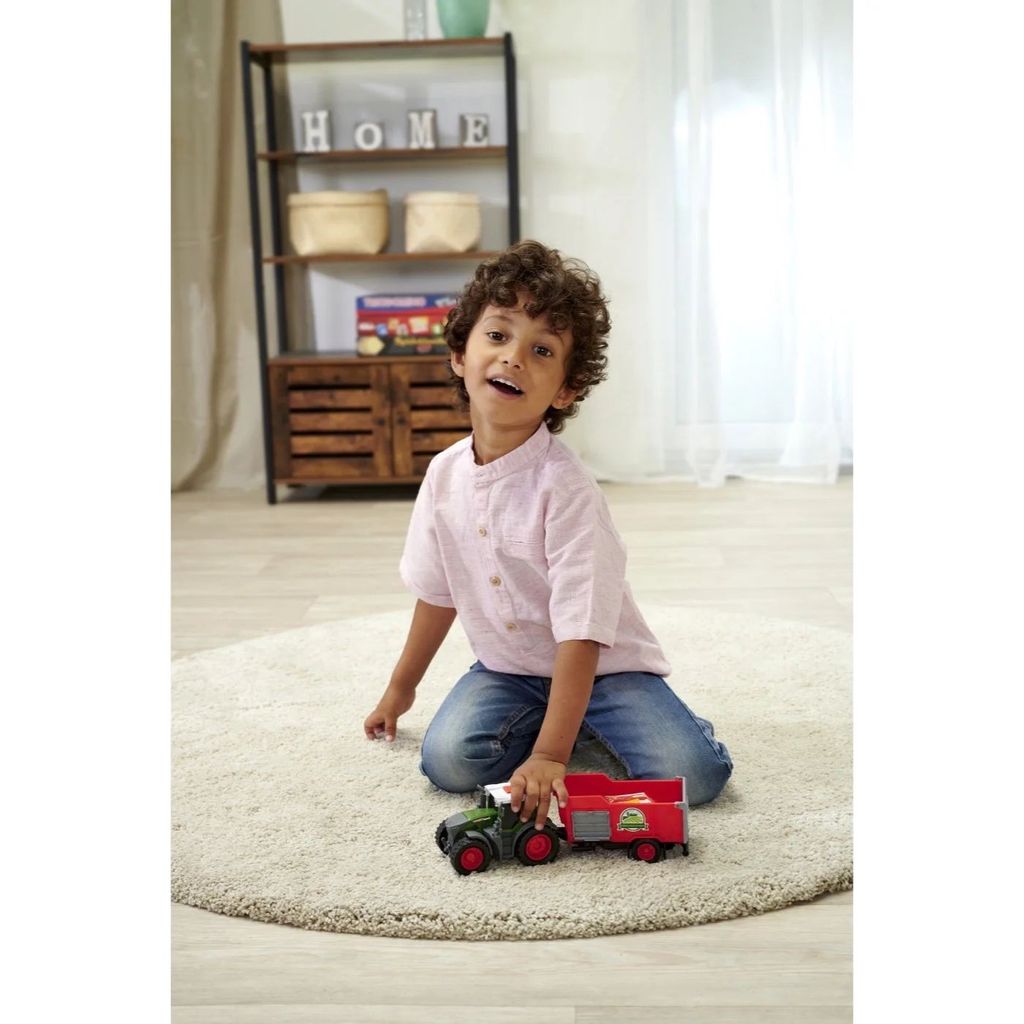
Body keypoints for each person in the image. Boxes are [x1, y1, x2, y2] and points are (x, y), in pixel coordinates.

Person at [363, 240, 733, 831]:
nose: (514, 358)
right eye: (497, 335)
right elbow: (436, 594)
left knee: (694, 775)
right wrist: (399, 690)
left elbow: (582, 631)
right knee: (448, 763)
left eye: (541, 351)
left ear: (564, 390)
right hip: (508, 669)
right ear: (459, 354)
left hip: (607, 670)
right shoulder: (443, 475)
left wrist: (550, 757)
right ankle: (559, 720)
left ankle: (586, 721)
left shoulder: (567, 489)